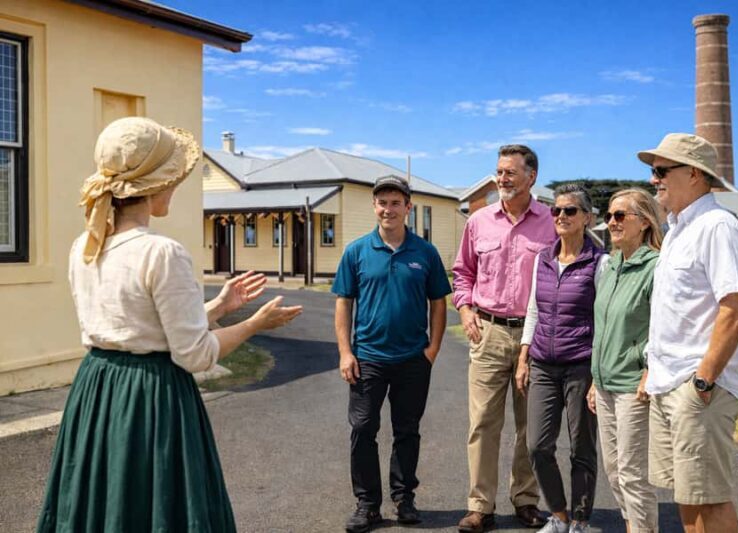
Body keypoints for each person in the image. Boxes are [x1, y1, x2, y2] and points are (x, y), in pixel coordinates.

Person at [37, 117, 303, 532]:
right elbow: (194, 354)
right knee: (155, 508)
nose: (176, 186)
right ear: (155, 185)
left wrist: (217, 304)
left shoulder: (84, 246)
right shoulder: (161, 252)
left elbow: (136, 323)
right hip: (151, 398)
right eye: (173, 178)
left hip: (97, 388)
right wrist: (255, 323)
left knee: (105, 505)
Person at [638, 133, 738, 533]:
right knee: (687, 496)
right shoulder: (677, 231)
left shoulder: (718, 226)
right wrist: (654, 369)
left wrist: (703, 379)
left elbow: (735, 309)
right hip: (668, 384)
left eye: (660, 171)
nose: (654, 180)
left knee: (711, 498)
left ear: (693, 173)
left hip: (700, 388)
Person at [333, 175, 451, 533]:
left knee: (407, 430)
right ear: (375, 207)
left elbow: (438, 304)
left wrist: (431, 350)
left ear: (408, 208)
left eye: (395, 203)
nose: (388, 209)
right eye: (382, 202)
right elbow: (344, 304)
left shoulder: (425, 252)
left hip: (413, 359)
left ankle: (404, 499)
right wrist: (345, 352)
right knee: (363, 429)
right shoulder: (356, 251)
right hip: (367, 357)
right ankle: (367, 505)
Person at [453, 145, 554, 533]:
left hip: (537, 337)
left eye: (510, 172)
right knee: (483, 423)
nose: (502, 178)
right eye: (499, 171)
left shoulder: (551, 222)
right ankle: (480, 506)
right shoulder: (478, 221)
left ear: (531, 177)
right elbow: (462, 272)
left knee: (531, 427)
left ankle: (526, 500)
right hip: (489, 333)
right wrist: (464, 309)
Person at [515, 184, 608, 533]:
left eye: (570, 211)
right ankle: (560, 515)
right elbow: (534, 310)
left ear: (587, 217)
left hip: (581, 364)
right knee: (537, 445)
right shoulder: (544, 258)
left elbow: (604, 321)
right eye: (556, 210)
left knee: (582, 445)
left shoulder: (601, 263)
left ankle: (580, 520)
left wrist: (597, 376)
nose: (561, 216)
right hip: (542, 362)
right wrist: (524, 358)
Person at [586, 188, 663, 533]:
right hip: (603, 384)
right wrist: (593, 379)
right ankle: (632, 526)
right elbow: (603, 327)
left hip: (634, 387)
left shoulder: (656, 267)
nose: (612, 222)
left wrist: (648, 372)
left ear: (645, 222)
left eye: (621, 216)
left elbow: (662, 327)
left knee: (633, 474)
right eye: (609, 216)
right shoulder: (610, 264)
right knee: (614, 470)